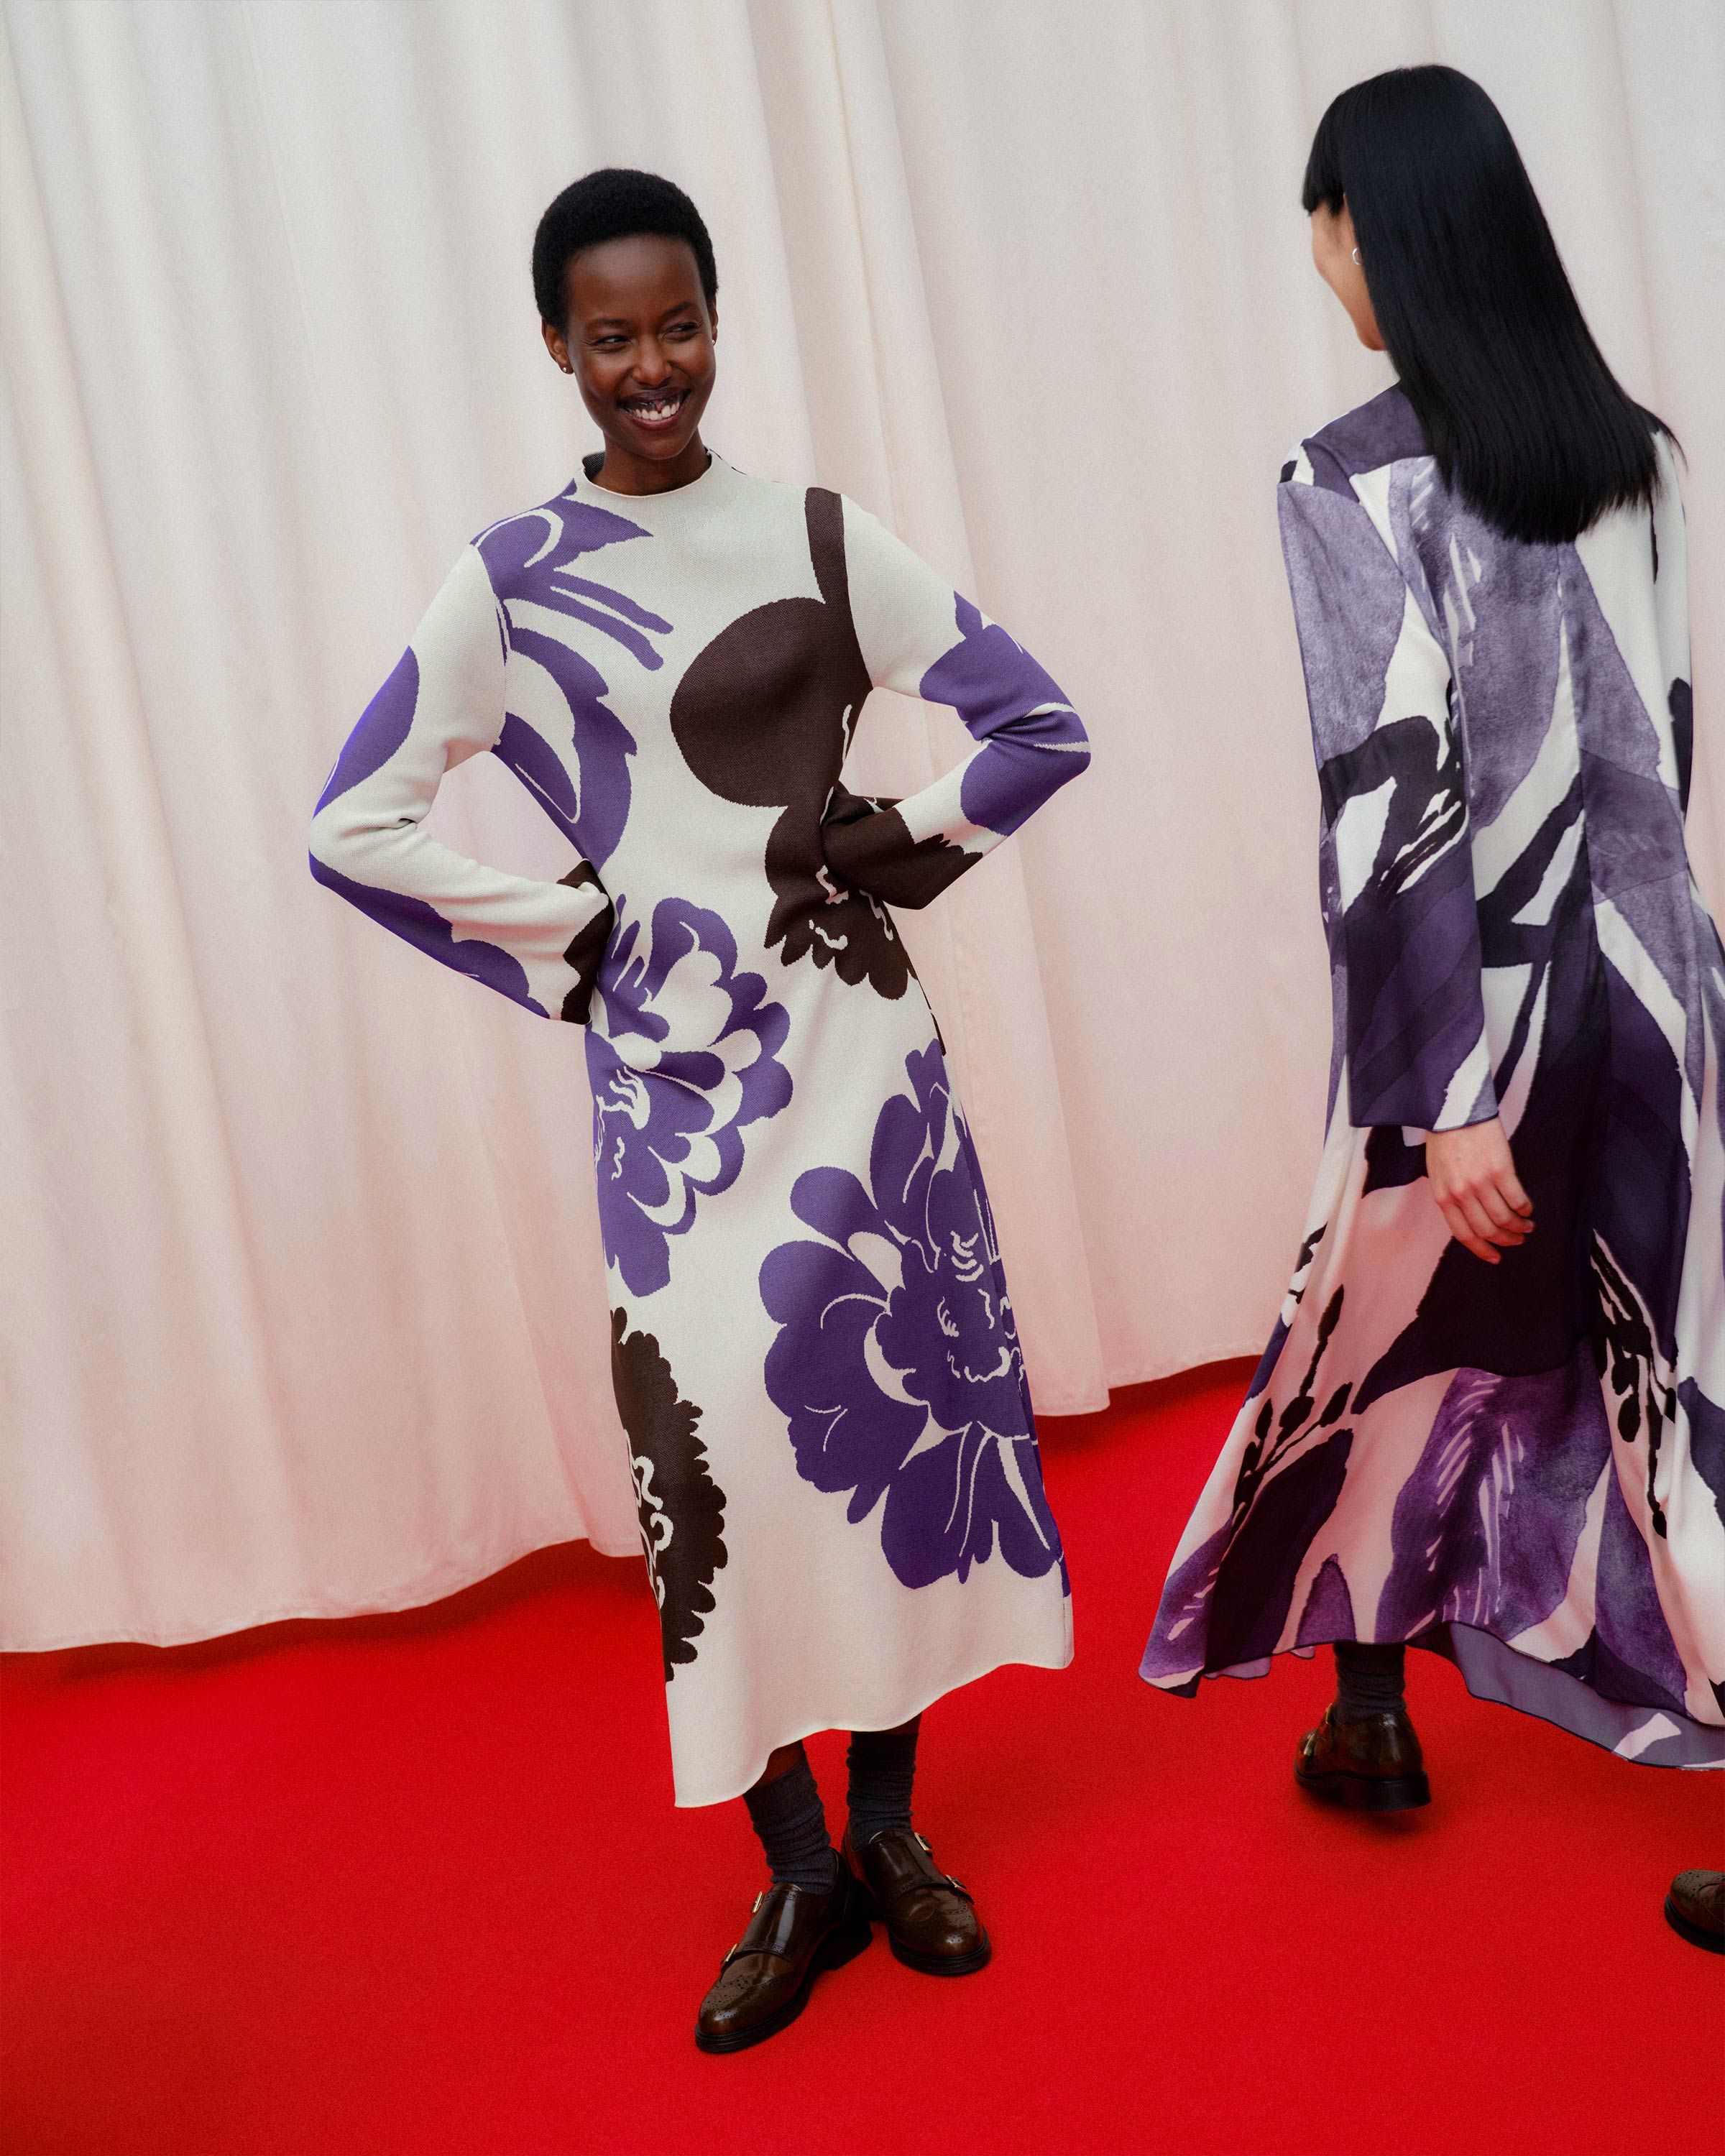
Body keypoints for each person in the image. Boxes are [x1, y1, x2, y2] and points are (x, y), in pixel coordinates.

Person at [309, 168, 1087, 2051]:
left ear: (718, 322)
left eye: (678, 325)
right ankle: (796, 1869)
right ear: (560, 349)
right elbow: (357, 824)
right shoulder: (512, 579)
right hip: (680, 1118)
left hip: (867, 1079)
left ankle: (893, 1833)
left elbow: (1036, 726)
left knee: (903, 1445)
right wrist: (577, 947)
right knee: (716, 1472)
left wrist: (885, 845)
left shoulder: (819, 538)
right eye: (611, 337)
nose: (651, 365)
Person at [1142, 67, 1725, 1814]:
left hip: (1467, 1023)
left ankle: (1382, 1703)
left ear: (1369, 229)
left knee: (1380, 1342)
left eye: (1324, 224)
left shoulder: (1349, 482)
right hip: (1654, 984)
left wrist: (1443, 1095)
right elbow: (1661, 746)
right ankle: (1371, 1711)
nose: (1321, 259)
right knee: (1650, 1368)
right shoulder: (1639, 463)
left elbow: (1383, 809)